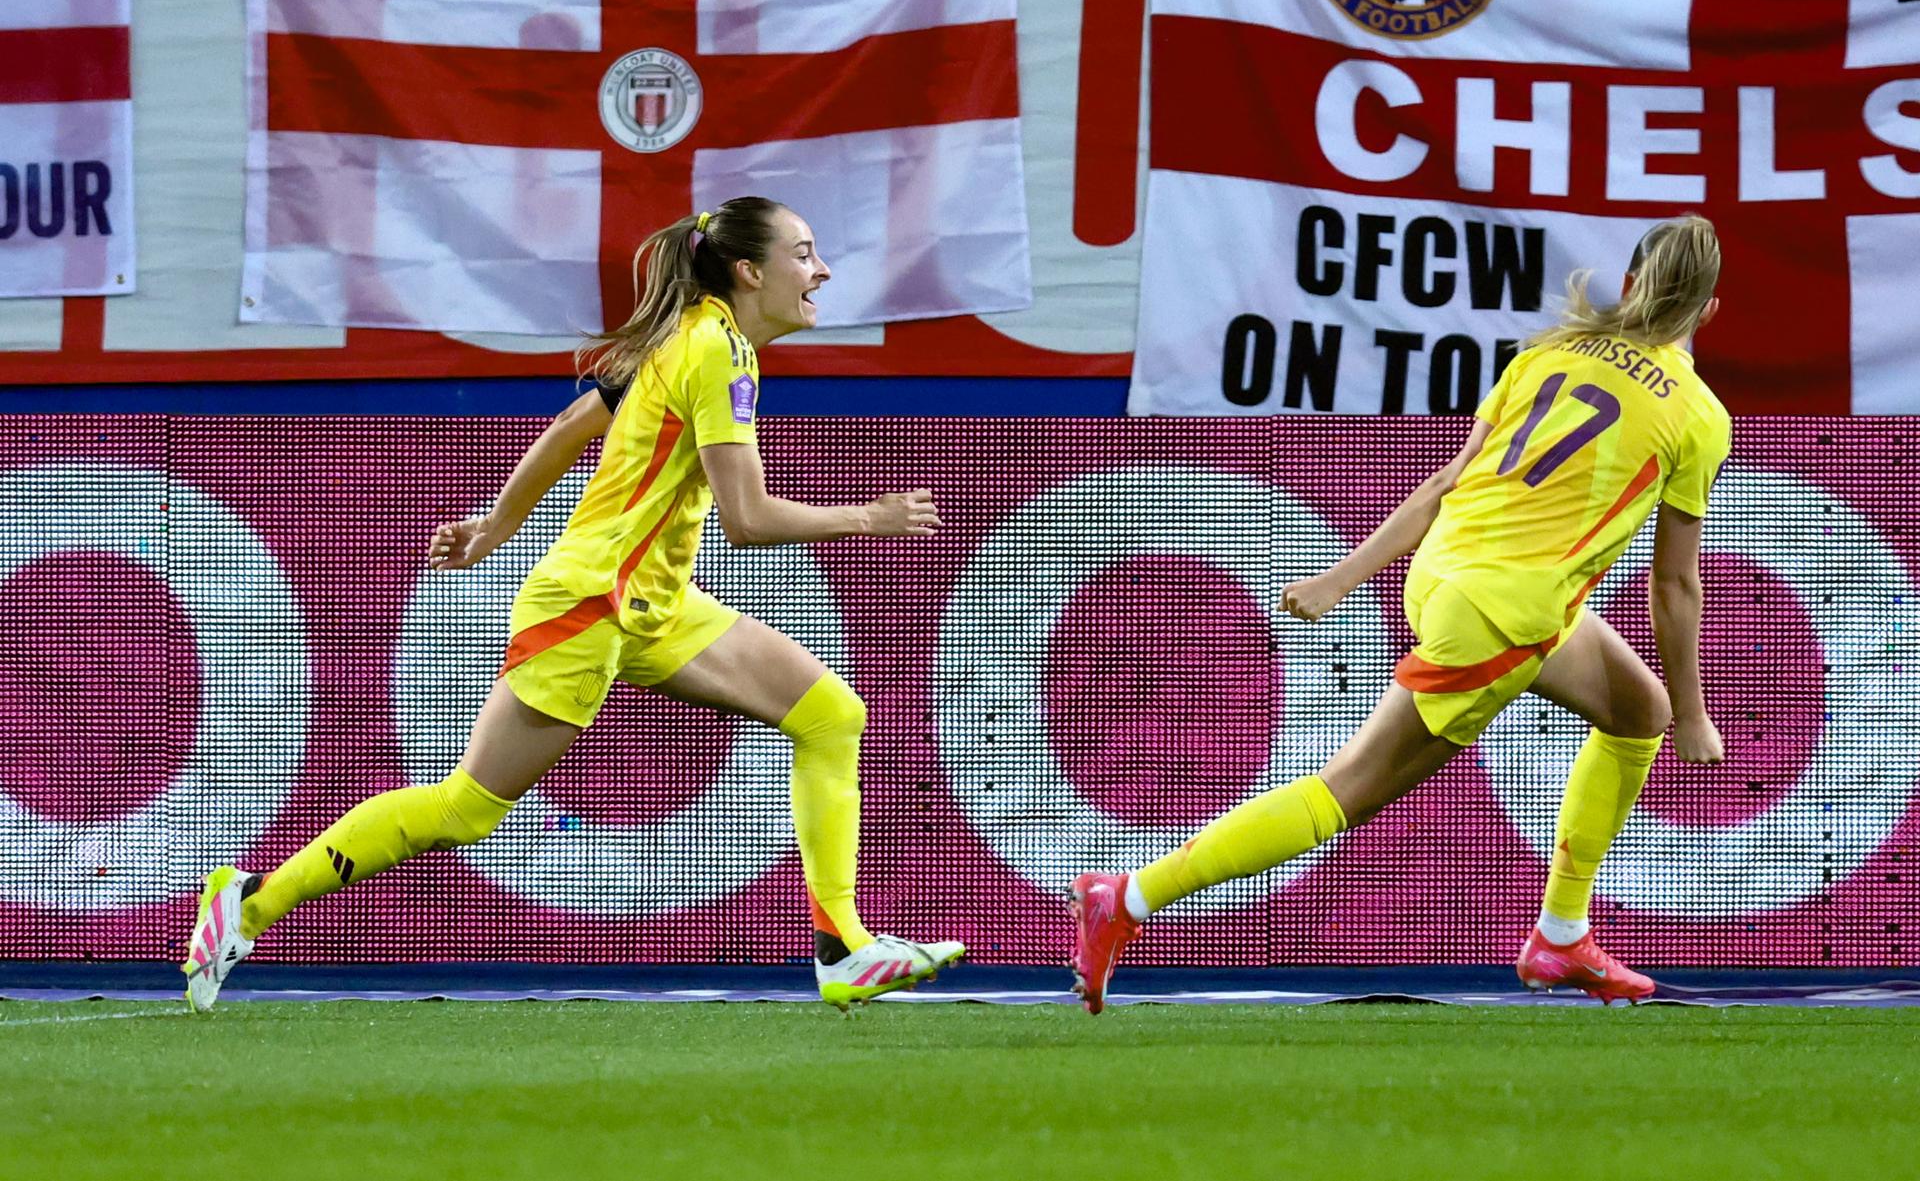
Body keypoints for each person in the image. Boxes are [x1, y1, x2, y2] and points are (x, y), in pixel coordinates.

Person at [182, 196, 964, 1011]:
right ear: (751, 272)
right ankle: (249, 902)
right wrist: (868, 517)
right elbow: (747, 518)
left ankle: (842, 946)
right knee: (463, 807)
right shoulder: (719, 352)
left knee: (830, 714)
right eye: (805, 253)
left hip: (650, 604)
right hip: (591, 604)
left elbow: (567, 424)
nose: (823, 269)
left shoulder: (684, 333)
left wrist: (494, 526)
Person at [1069, 216, 1732, 1011]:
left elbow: (1448, 479)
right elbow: (1674, 585)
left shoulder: (1546, 353)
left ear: (1626, 285)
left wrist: (1341, 579)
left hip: (1446, 573)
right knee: (1351, 787)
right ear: (1708, 313)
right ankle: (1130, 898)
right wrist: (1698, 712)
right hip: (1500, 615)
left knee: (1636, 707)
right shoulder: (1697, 414)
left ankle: (1561, 934)